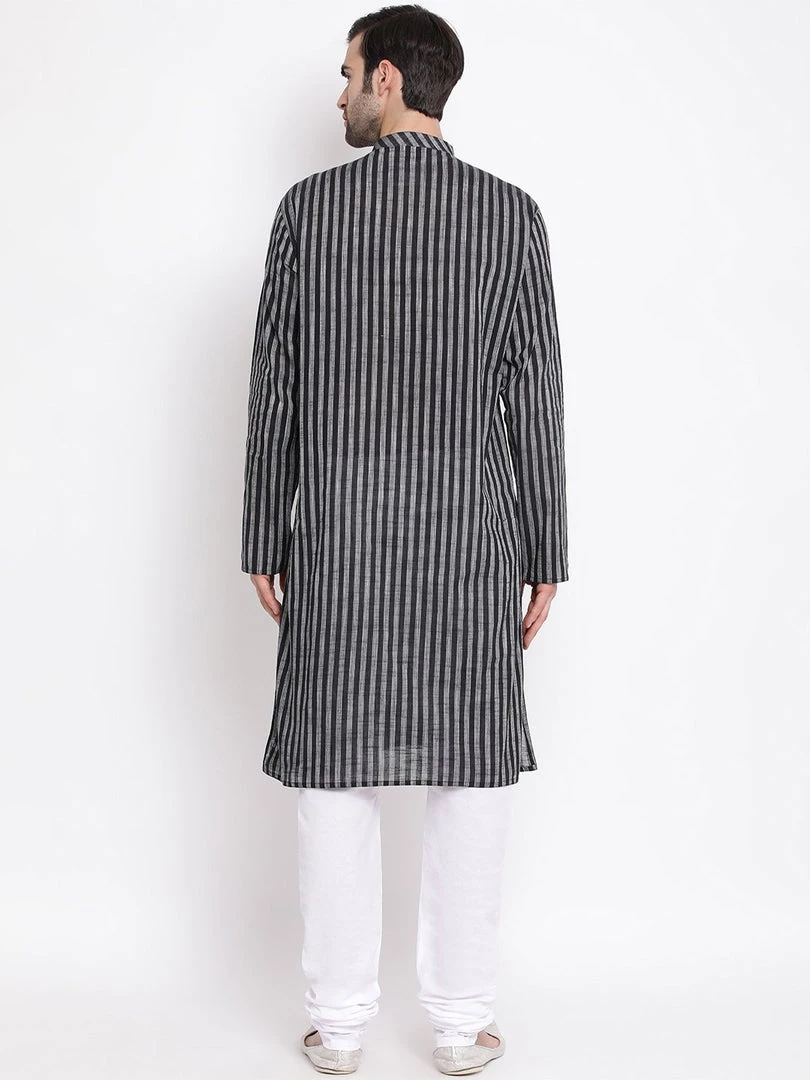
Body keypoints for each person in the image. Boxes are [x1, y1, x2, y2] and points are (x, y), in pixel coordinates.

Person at [240, 5, 569, 1075]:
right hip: (471, 541)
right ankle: (460, 1026)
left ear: (387, 78)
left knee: (334, 773)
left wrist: (262, 533)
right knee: (470, 772)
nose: (338, 95)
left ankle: (338, 1028)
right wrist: (546, 551)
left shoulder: (309, 211)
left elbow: (276, 386)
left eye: (347, 76)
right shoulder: (511, 216)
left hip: (338, 535)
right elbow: (536, 397)